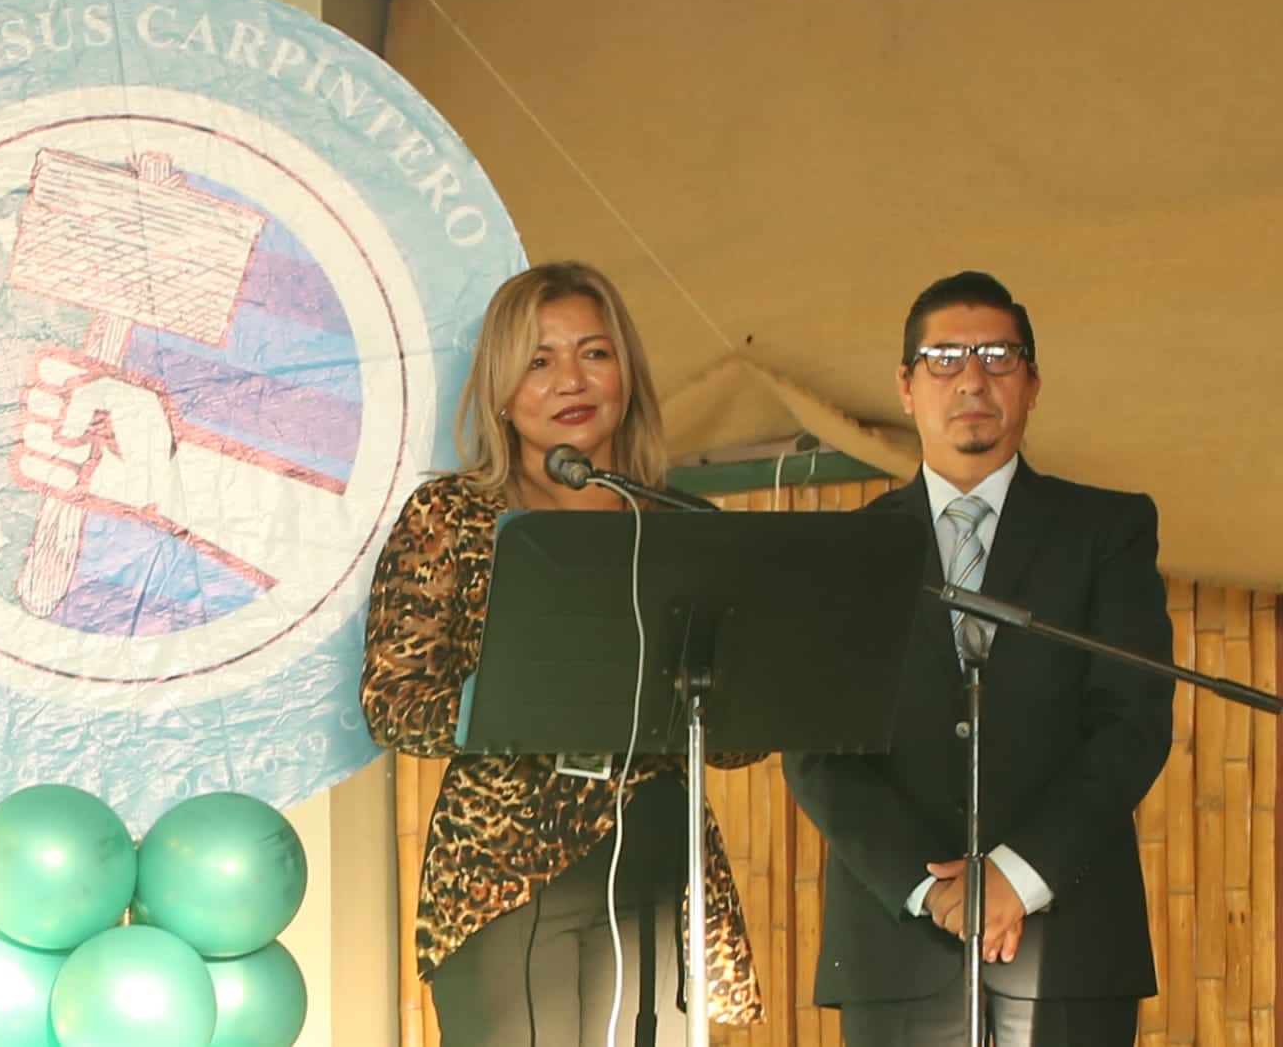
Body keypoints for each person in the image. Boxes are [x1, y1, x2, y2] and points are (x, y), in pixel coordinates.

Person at [361, 261, 763, 1047]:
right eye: (539, 361)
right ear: (502, 393)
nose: (571, 381)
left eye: (594, 353)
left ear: (626, 374)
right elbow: (394, 704)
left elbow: (737, 741)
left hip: (657, 870)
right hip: (508, 878)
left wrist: (744, 689)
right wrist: (520, 699)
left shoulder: (682, 523)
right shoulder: (454, 516)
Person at [784, 270, 1174, 1047]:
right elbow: (817, 753)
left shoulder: (1108, 530)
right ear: (906, 385)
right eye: (945, 359)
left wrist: (1017, 877)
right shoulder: (847, 552)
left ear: (1032, 383)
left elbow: (1132, 725)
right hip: (898, 948)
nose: (972, 378)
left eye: (998, 357)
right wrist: (932, 891)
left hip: (1068, 945)